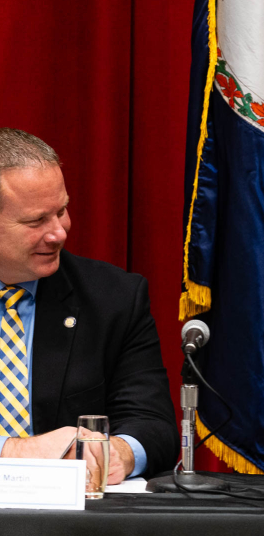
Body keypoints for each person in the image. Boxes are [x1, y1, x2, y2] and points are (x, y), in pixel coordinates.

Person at [0, 128, 178, 482]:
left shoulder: (113, 297)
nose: (59, 233)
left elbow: (153, 423)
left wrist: (119, 454)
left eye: (62, 210)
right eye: (37, 220)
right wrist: (13, 451)